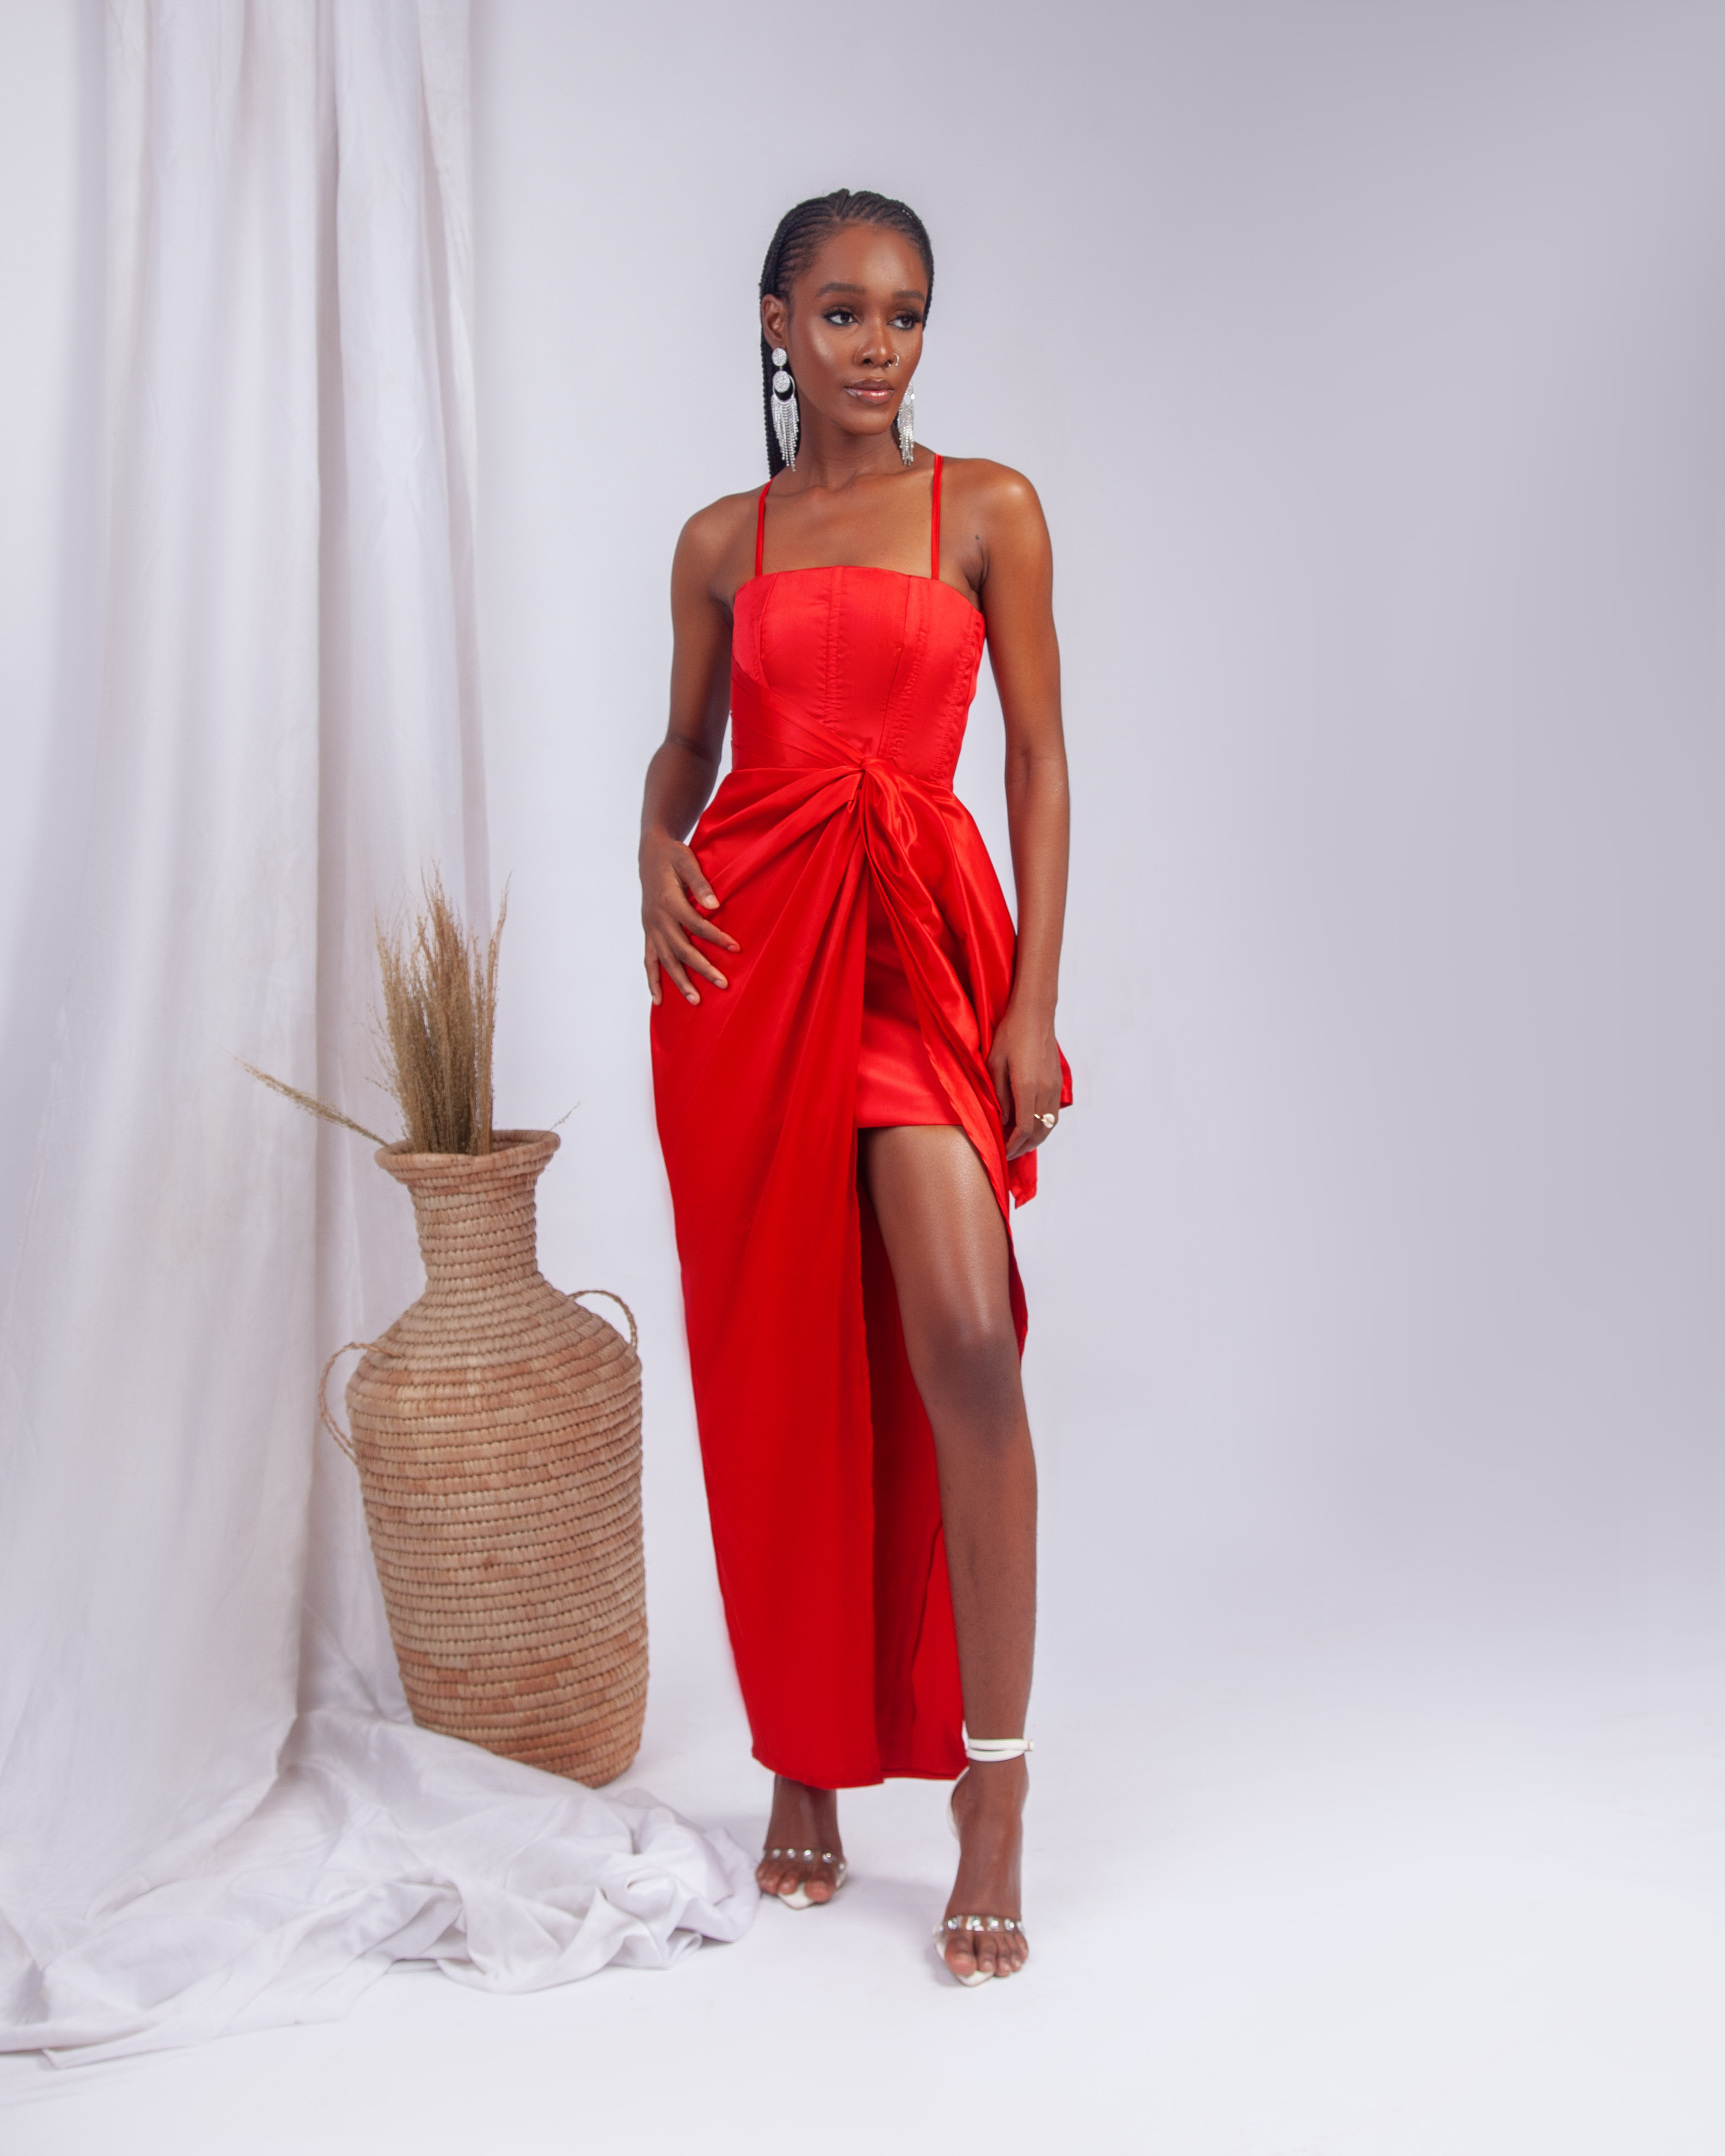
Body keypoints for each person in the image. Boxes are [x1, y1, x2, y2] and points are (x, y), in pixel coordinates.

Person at [639, 188, 1069, 1986]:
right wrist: (650, 846)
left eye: (901, 315)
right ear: (776, 324)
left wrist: (1031, 1005)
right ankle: (803, 1755)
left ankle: (994, 1786)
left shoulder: (989, 510)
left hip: (914, 955)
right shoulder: (721, 541)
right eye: (839, 313)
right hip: (746, 967)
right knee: (783, 1363)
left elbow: (1037, 761)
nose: (875, 346)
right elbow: (688, 745)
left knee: (964, 1343)